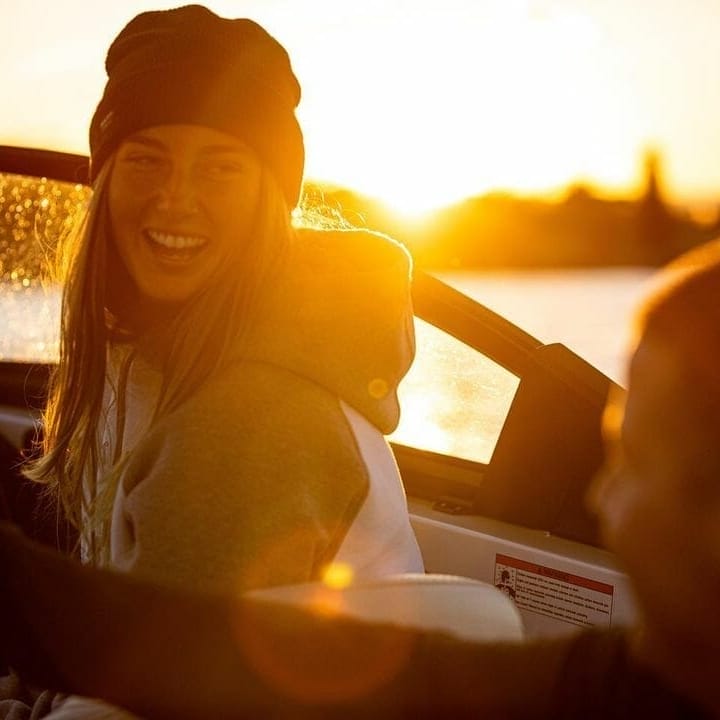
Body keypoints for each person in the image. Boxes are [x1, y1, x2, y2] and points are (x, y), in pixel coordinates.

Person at [2, 244, 719, 718]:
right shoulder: (614, 682)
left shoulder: (251, 433)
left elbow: (194, 665)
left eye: (631, 462)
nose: (598, 496)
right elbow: (225, 654)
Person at [23, 2, 422, 592]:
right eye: (145, 160)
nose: (175, 198)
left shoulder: (247, 425)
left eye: (220, 169)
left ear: (270, 202)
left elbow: (159, 675)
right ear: (105, 182)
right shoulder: (148, 350)